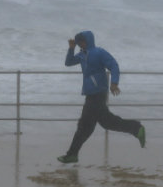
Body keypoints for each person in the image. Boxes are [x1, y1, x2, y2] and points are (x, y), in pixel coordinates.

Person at [57, 31, 146, 163]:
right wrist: (71, 48)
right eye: (79, 42)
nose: (80, 44)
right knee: (86, 127)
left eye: (81, 41)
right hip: (90, 94)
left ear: (88, 41)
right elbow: (68, 62)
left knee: (100, 123)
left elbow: (114, 65)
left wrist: (114, 82)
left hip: (98, 94)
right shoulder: (82, 55)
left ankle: (137, 128)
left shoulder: (99, 52)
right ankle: (72, 154)